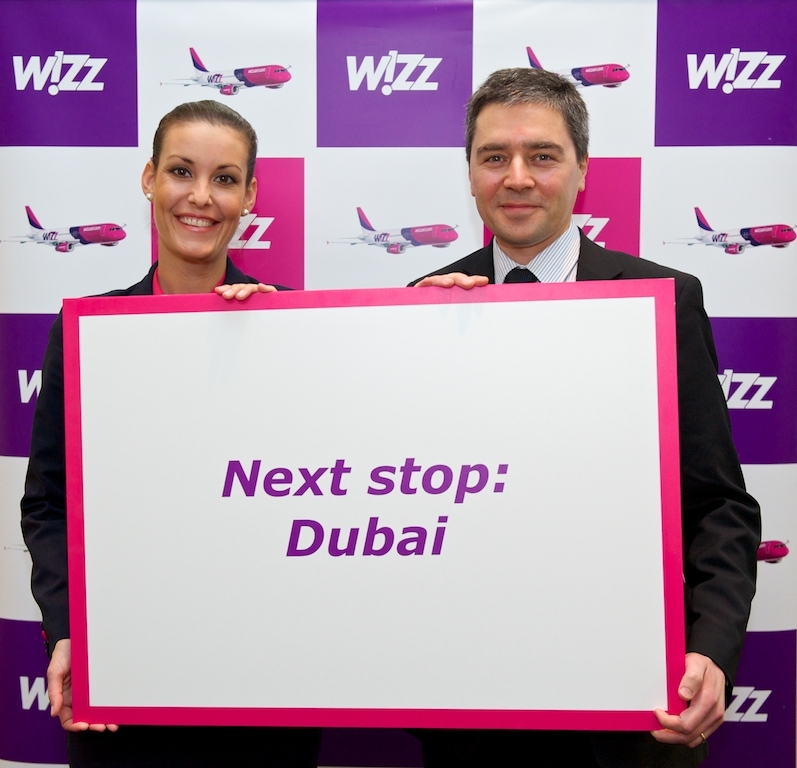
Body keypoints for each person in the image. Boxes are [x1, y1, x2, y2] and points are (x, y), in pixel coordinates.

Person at [409, 68, 760, 767]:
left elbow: (719, 504)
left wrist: (710, 651)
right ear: (469, 173)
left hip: (631, 722)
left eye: (541, 155)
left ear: (582, 170)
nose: (516, 178)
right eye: (494, 157)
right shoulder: (421, 307)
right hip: (475, 716)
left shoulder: (665, 300)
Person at [21, 100, 321, 767]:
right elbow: (47, 504)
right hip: (125, 685)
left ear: (249, 196)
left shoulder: (294, 328)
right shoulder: (87, 334)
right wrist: (72, 633)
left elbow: (334, 493)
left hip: (264, 687)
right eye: (182, 171)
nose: (201, 196)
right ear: (149, 178)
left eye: (224, 179)